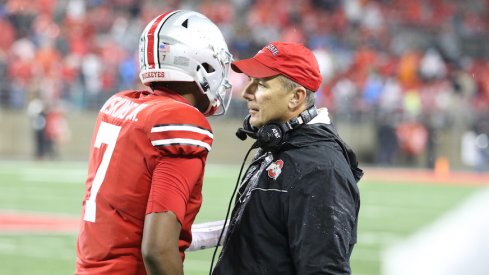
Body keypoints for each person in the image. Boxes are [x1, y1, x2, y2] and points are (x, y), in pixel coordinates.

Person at [75, 10, 233, 275]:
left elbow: (130, 217)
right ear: (201, 64)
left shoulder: (120, 104)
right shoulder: (180, 120)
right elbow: (158, 249)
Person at [212, 42, 363, 274]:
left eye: (260, 84)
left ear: (296, 97)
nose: (245, 93)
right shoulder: (280, 145)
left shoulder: (320, 170)